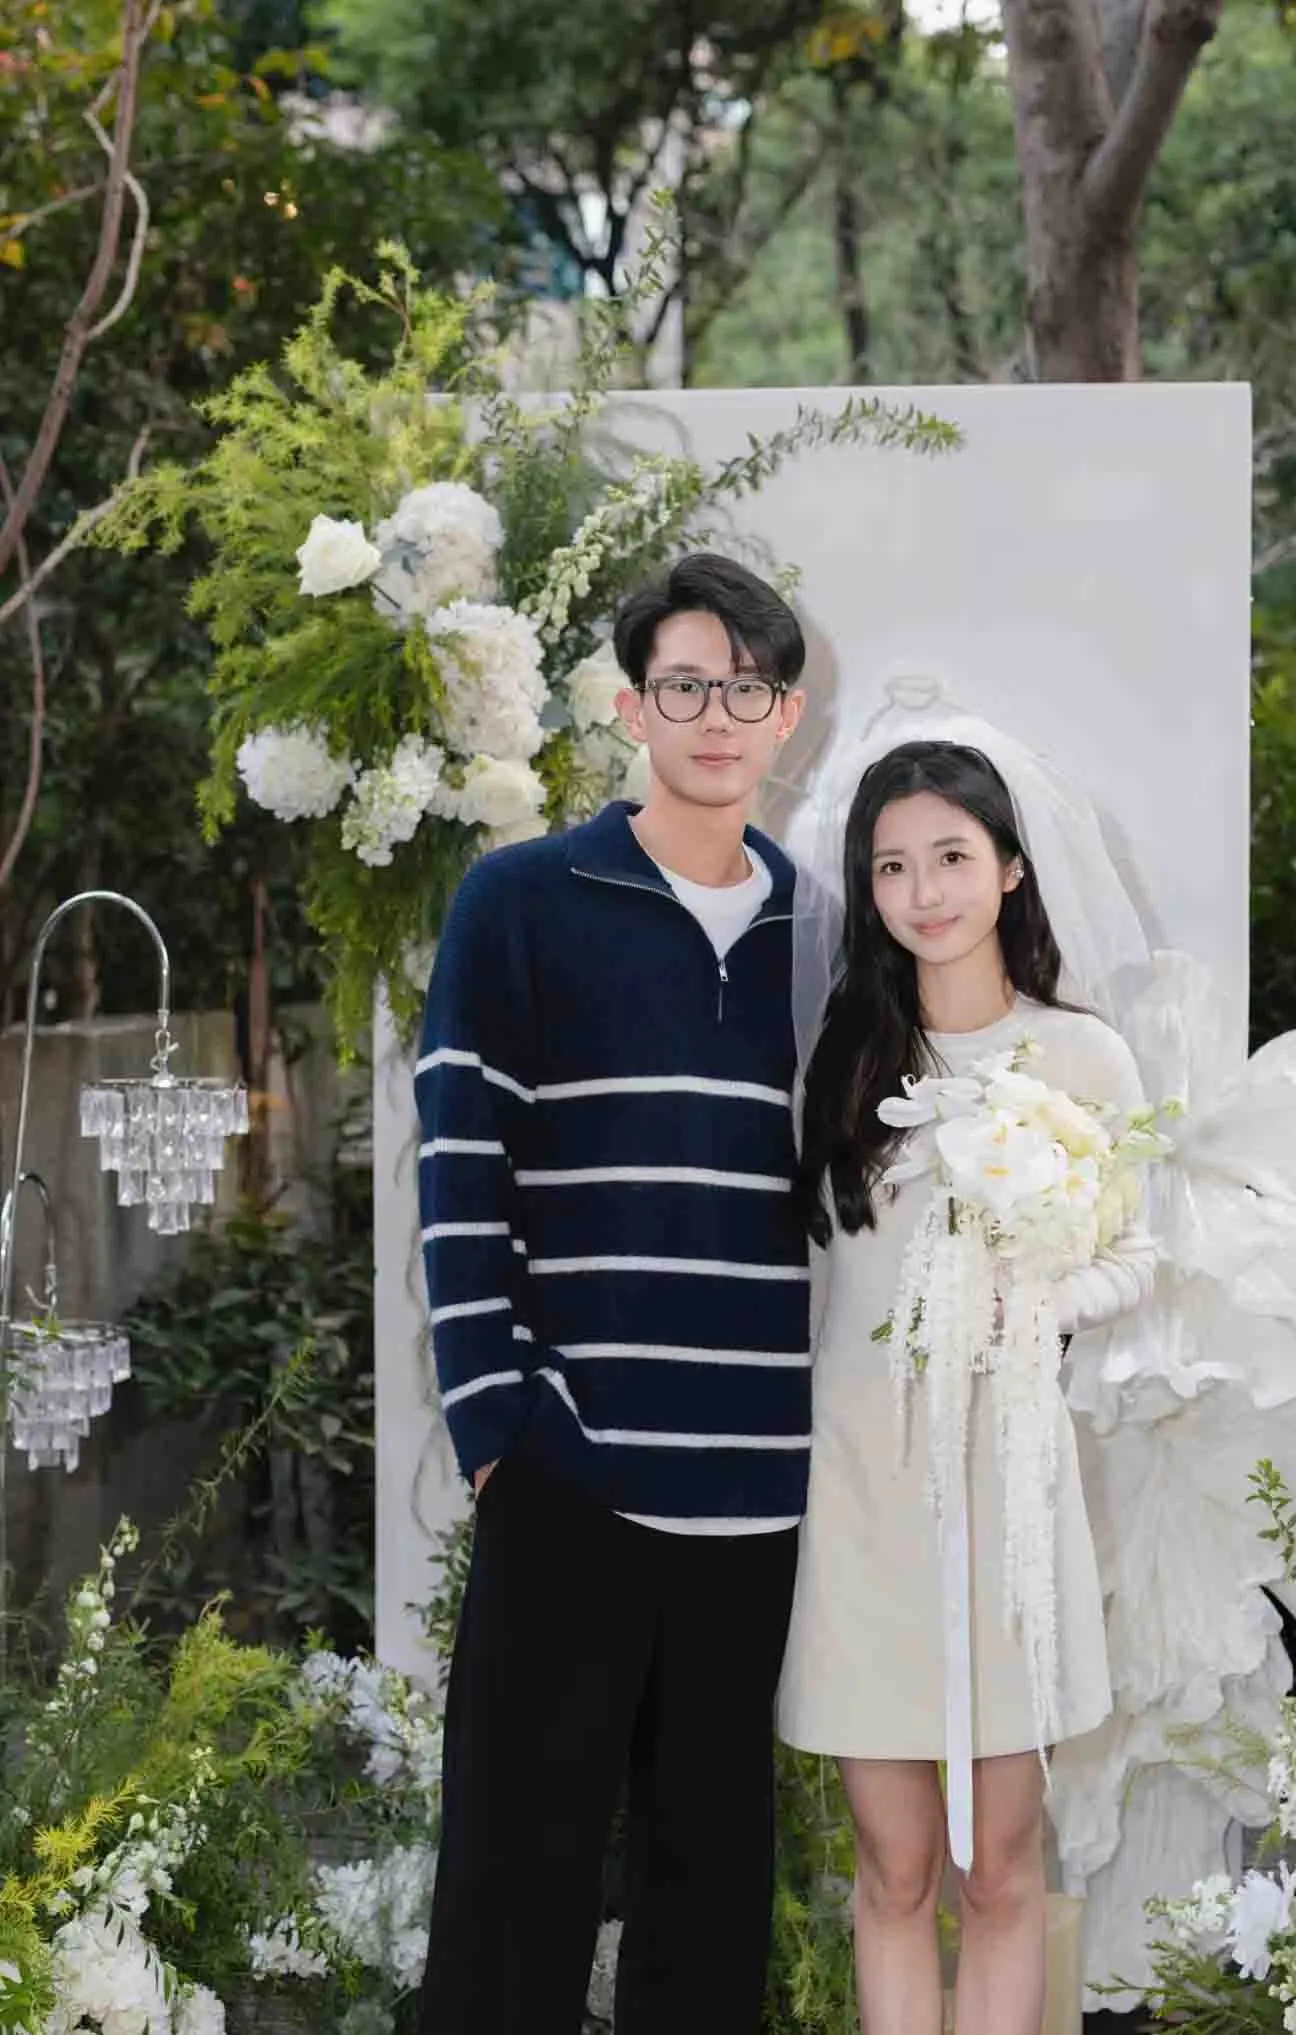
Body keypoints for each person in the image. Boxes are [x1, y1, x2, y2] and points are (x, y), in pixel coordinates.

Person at [414, 552, 811, 2035]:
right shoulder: (520, 900)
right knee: (513, 1894)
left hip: (758, 1491)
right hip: (573, 1467)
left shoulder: (826, 935)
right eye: (684, 686)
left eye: (746, 690)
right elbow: (460, 1163)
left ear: (787, 716)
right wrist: (500, 1426)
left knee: (708, 1910)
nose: (716, 717)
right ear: (634, 706)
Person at [778, 736, 1158, 2035]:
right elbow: (817, 1274)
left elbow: (1137, 1253)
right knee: (892, 1868)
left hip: (1008, 1488)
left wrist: (1039, 1304)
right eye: (892, 866)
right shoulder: (843, 1059)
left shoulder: (1082, 1059)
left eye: (950, 856)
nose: (923, 891)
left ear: (1008, 868)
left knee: (1000, 1867)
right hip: (864, 1488)